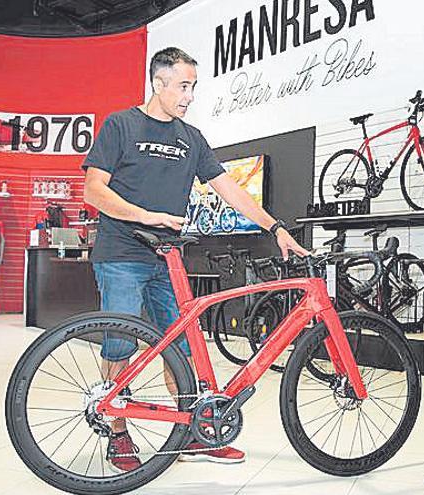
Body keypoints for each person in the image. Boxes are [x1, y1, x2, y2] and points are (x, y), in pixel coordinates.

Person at [82, 47, 309, 472]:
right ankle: (116, 428)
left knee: (184, 349)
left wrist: (274, 228)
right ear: (158, 82)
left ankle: (192, 429)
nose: (189, 96)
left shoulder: (191, 138)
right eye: (183, 86)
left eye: (193, 87)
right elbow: (93, 190)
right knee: (120, 344)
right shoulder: (120, 125)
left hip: (169, 258)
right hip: (122, 253)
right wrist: (147, 216)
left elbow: (232, 190)